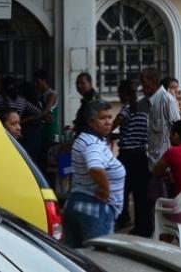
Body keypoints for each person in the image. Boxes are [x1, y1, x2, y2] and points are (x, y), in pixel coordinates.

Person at [64, 100, 126, 248]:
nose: (108, 122)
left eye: (110, 117)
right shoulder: (92, 144)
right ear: (91, 122)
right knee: (98, 258)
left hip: (79, 202)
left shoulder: (87, 139)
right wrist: (105, 190)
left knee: (77, 257)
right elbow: (95, 168)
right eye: (102, 118)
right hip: (93, 207)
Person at [140, 66, 181, 236]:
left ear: (152, 82)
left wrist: (173, 162)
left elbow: (177, 128)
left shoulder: (166, 100)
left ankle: (166, 234)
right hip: (152, 160)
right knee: (152, 201)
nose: (143, 87)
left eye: (144, 83)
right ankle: (155, 232)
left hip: (164, 163)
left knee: (164, 203)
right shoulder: (147, 102)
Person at [113, 79, 151, 235]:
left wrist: (107, 132)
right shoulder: (143, 108)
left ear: (124, 94)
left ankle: (123, 218)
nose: (119, 97)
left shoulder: (127, 108)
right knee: (140, 194)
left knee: (119, 187)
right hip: (141, 155)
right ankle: (142, 226)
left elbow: (116, 123)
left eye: (119, 94)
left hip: (128, 156)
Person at [34, 69, 59, 146]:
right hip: (42, 130)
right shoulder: (41, 95)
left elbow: (44, 112)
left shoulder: (52, 94)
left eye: (38, 82)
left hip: (51, 130)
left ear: (44, 80)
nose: (36, 84)